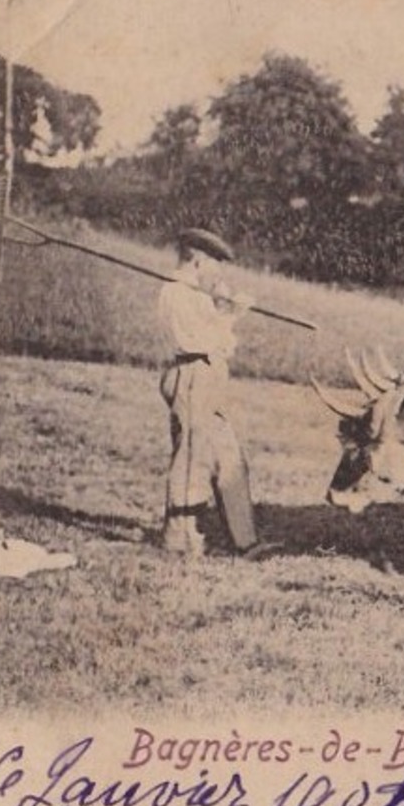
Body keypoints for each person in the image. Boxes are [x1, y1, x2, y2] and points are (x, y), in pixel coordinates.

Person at [157, 228, 273, 559]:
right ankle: (179, 538)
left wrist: (222, 307)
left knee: (230, 459)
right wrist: (232, 314)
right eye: (215, 264)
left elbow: (219, 337)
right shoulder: (177, 293)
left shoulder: (195, 293)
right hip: (193, 375)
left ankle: (245, 541)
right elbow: (207, 341)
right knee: (193, 457)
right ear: (199, 260)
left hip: (208, 377)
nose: (219, 273)